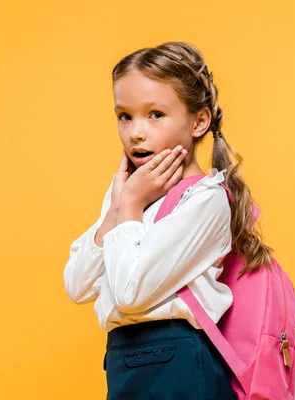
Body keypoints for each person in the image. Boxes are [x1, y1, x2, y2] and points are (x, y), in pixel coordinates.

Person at [63, 41, 272, 399]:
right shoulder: (128, 195)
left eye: (155, 114)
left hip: (180, 365)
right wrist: (119, 207)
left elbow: (131, 294)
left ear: (199, 121)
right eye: (124, 116)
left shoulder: (204, 200)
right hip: (122, 359)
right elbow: (78, 285)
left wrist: (128, 205)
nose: (136, 132)